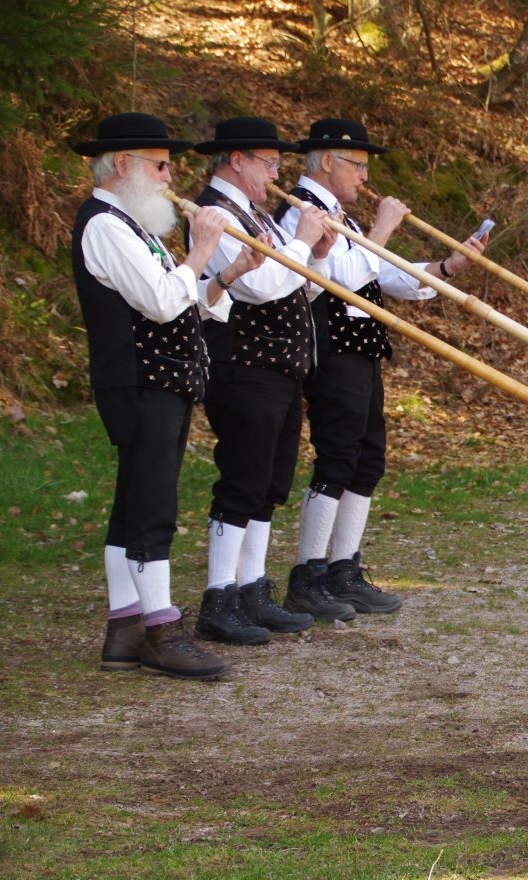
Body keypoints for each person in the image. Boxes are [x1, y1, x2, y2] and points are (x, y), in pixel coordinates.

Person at [70, 112, 263, 680]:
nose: (169, 175)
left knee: (133, 502)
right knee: (152, 507)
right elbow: (159, 301)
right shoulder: (104, 225)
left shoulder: (133, 226)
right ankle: (161, 629)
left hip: (160, 380)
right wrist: (202, 248)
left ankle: (124, 629)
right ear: (122, 166)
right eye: (160, 164)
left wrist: (225, 278)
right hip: (137, 381)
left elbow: (179, 300)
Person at [275, 118, 488, 617]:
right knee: (337, 457)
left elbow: (387, 275)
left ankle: (342, 567)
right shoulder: (299, 215)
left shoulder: (344, 220)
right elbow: (344, 278)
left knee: (367, 460)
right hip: (331, 350)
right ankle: (308, 574)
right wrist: (384, 229)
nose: (365, 179)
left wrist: (450, 266)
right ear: (326, 161)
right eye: (358, 166)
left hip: (362, 349)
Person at [187, 117, 347, 641]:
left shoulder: (258, 214)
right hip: (242, 365)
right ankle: (219, 596)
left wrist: (316, 256)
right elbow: (261, 286)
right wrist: (302, 243)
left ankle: (252, 587)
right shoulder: (215, 213)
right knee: (242, 480)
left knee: (269, 484)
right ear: (237, 160)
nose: (275, 173)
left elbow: (299, 290)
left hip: (279, 369)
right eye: (269, 163)